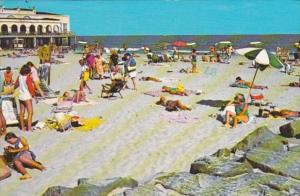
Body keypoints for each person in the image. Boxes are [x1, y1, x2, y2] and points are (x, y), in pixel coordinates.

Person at [14, 65, 36, 132]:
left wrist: (12, 89)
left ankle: (22, 127)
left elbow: (16, 85)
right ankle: (29, 128)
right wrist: (34, 95)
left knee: (22, 113)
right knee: (30, 112)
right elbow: (30, 88)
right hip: (27, 97)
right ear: (27, 71)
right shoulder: (28, 78)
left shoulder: (19, 76)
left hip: (21, 96)